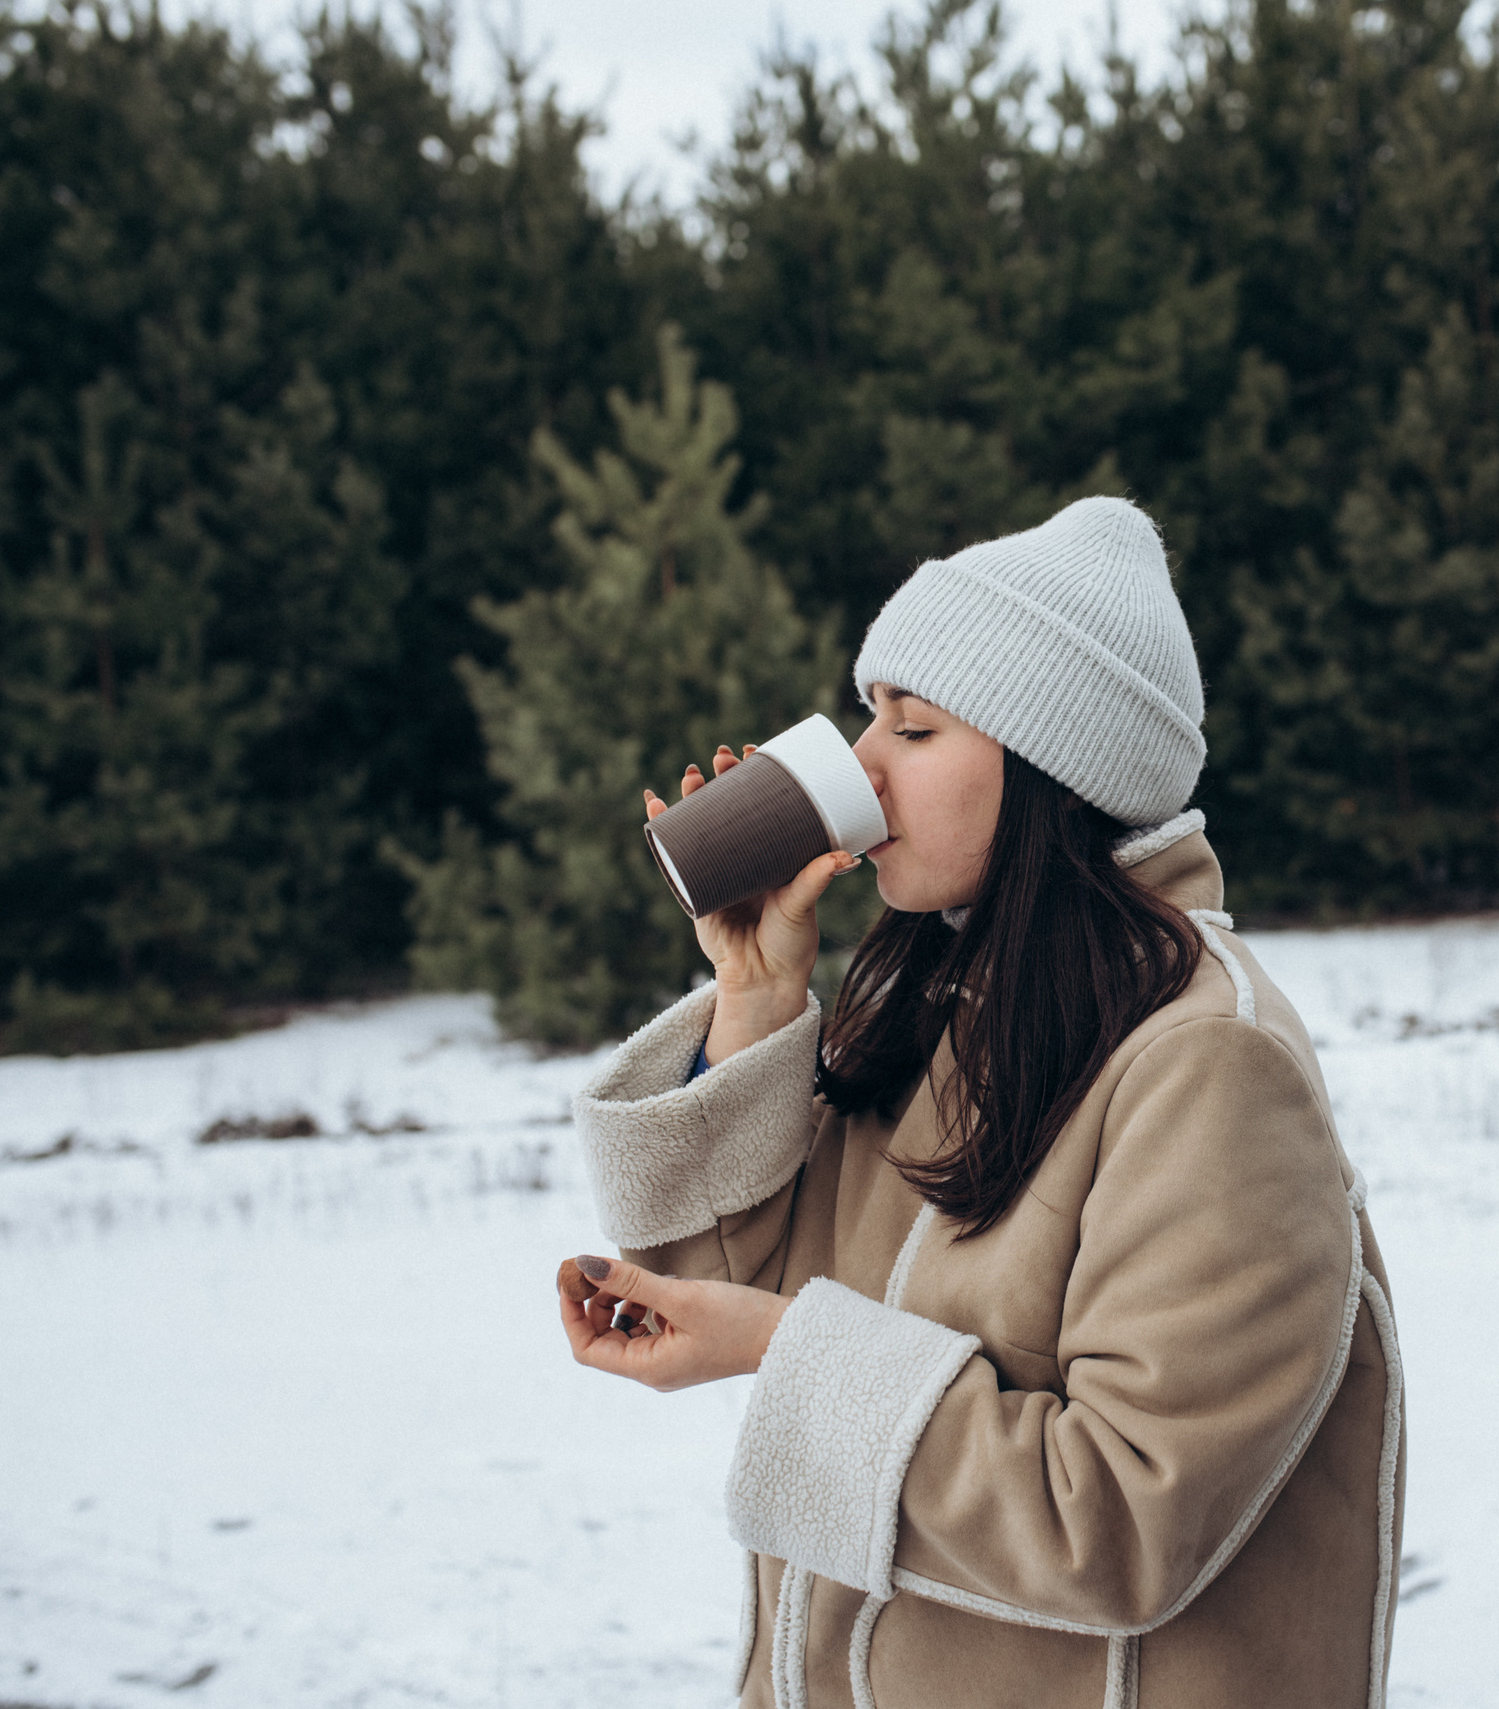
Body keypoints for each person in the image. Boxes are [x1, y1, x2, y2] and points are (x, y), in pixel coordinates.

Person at [554, 496, 1406, 1709]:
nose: (858, 762)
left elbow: (1118, 1516)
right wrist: (753, 992)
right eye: (867, 718)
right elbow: (728, 1281)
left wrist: (782, 1349)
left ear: (1052, 764)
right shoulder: (948, 1013)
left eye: (913, 726)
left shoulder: (1207, 1062)